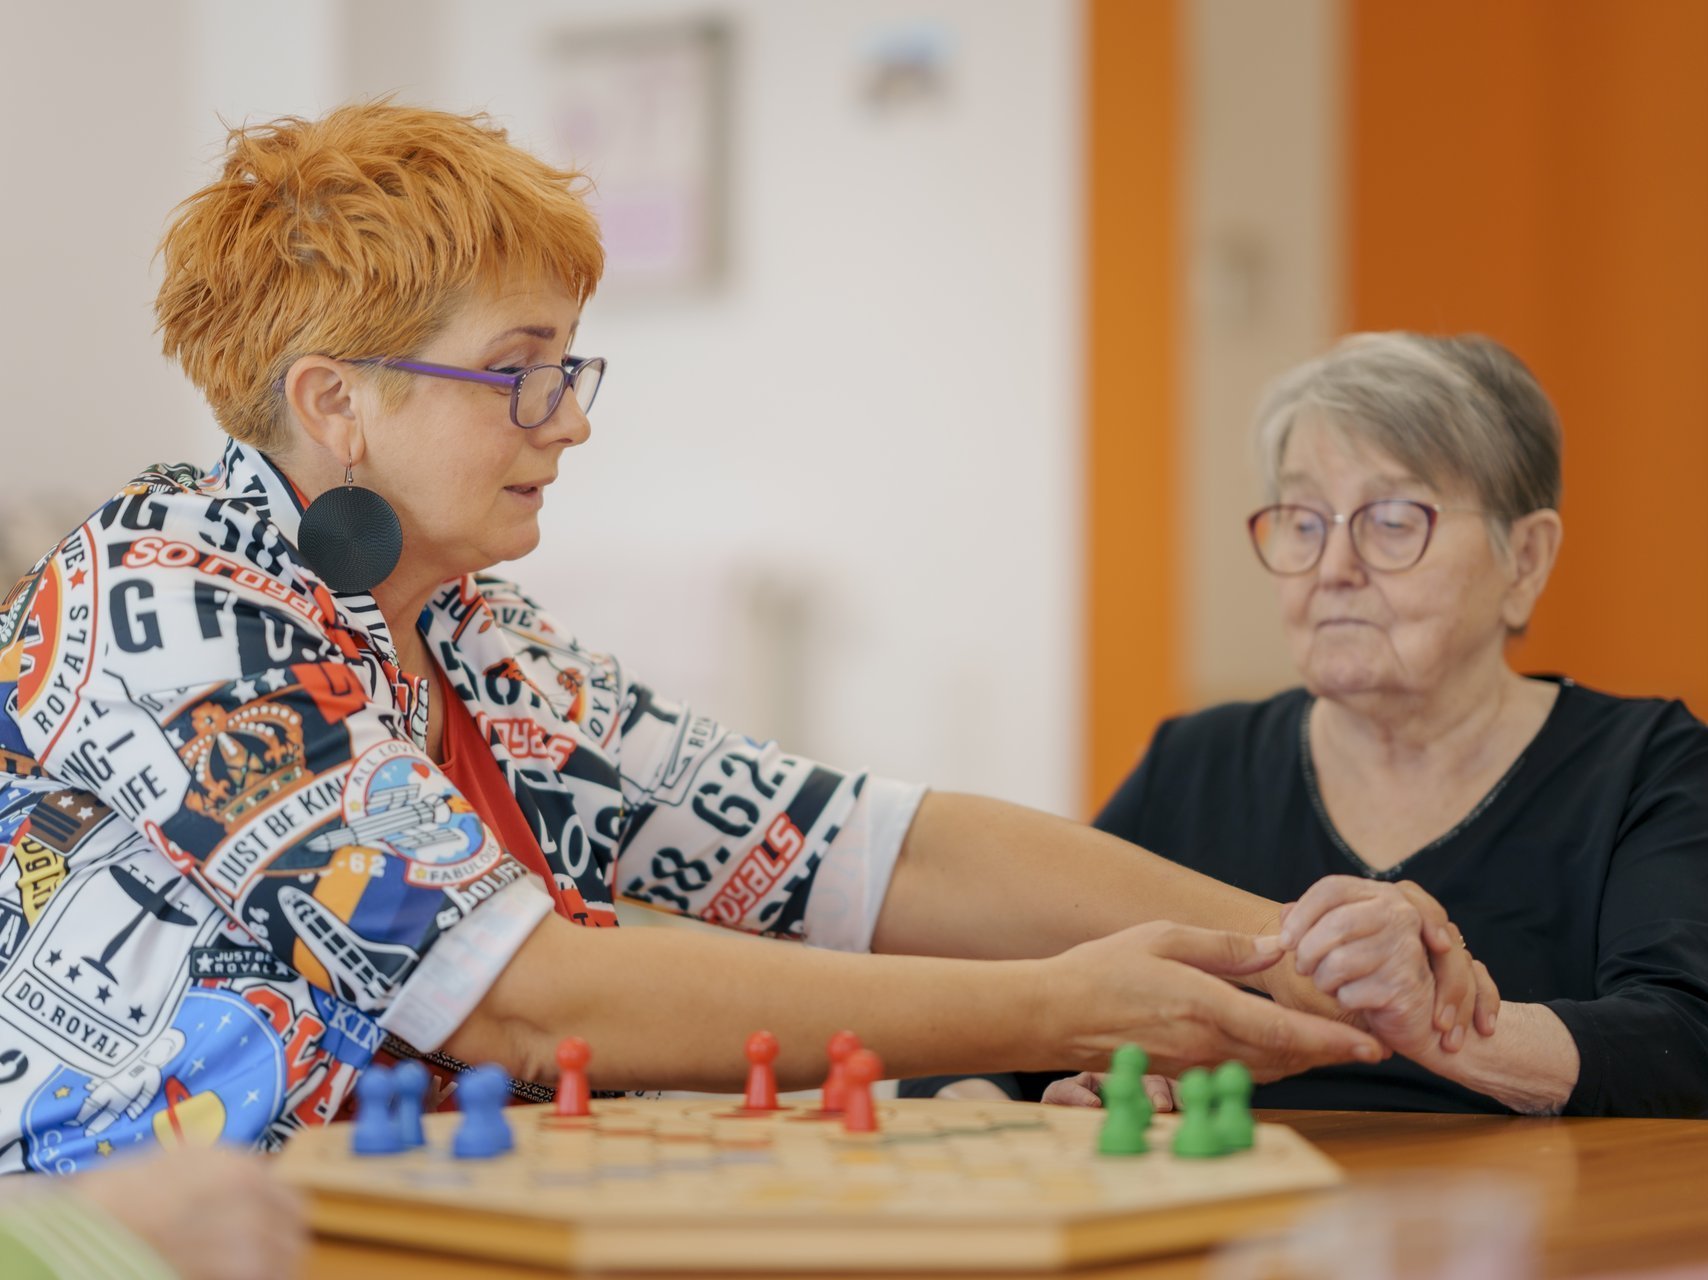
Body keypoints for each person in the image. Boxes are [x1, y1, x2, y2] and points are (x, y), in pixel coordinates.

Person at [0, 105, 1480, 1175]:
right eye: (519, 373)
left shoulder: (468, 635)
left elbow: (847, 844)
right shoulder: (174, 601)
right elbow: (517, 996)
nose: (571, 418)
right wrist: (1066, 1003)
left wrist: (1290, 947)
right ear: (338, 405)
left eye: (569, 366)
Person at [909, 333, 1708, 1117]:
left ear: (1526, 559)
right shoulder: (1196, 763)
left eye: (1393, 520)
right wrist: (1017, 1115)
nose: (1331, 568)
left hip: (1543, 1234)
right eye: (1302, 519)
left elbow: (1686, 1040)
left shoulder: (1648, 766)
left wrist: (1434, 1024)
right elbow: (984, 1019)